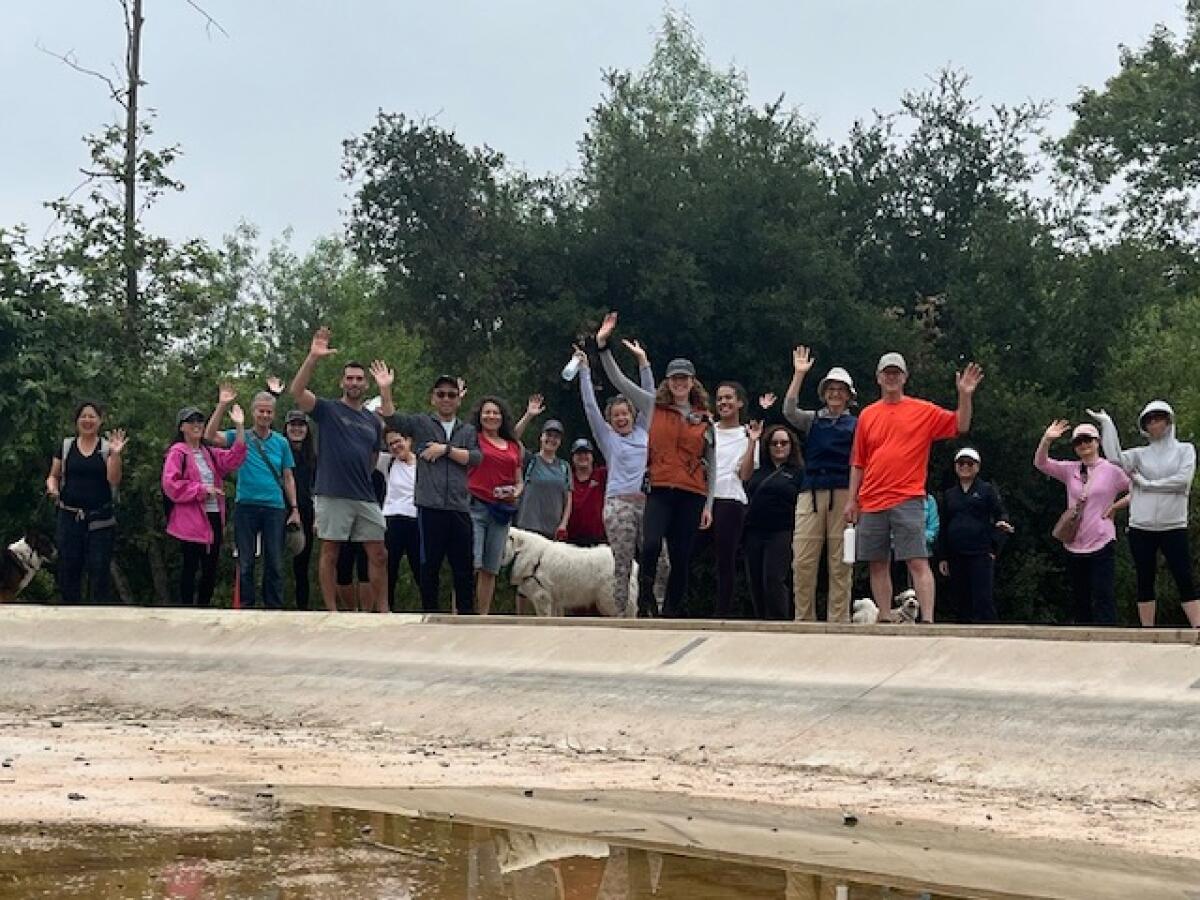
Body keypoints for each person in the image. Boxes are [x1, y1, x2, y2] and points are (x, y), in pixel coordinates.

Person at [846, 352, 983, 623]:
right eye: (887, 373)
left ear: (905, 377)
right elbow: (858, 461)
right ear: (878, 378)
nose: (892, 377)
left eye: (896, 373)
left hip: (908, 497)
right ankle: (884, 617)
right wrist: (852, 499)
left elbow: (960, 424)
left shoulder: (923, 410)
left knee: (917, 560)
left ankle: (928, 621)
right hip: (871, 499)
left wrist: (965, 395)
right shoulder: (867, 415)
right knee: (877, 563)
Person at [594, 312, 715, 618]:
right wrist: (603, 346)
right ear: (668, 382)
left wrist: (709, 505)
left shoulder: (704, 418)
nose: (679, 383)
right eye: (674, 378)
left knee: (680, 557)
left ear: (691, 382)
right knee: (650, 547)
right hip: (660, 490)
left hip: (691, 492)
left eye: (684, 379)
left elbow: (711, 464)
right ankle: (645, 593)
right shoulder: (653, 406)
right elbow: (619, 380)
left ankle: (671, 613)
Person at [289, 328, 387, 613]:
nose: (354, 383)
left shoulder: (372, 421)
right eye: (350, 378)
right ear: (341, 382)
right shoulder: (328, 410)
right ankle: (332, 611)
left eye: (359, 379)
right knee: (330, 551)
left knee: (378, 553)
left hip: (364, 495)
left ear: (365, 384)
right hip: (332, 493)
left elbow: (371, 458)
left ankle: (382, 611)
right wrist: (313, 357)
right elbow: (297, 392)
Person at [373, 362, 481, 615]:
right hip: (429, 508)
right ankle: (431, 618)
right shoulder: (421, 424)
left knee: (463, 569)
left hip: (458, 507)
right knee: (428, 567)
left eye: (451, 395)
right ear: (433, 398)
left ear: (458, 400)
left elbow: (475, 458)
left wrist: (444, 450)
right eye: (441, 394)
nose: (446, 399)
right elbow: (391, 417)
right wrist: (385, 389)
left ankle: (468, 622)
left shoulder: (467, 430)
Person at [1089, 403, 1200, 628]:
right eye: (1149, 420)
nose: (1154, 424)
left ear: (1169, 421)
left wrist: (1148, 485)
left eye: (1158, 418)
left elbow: (1182, 481)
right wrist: (1108, 425)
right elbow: (1115, 458)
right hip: (1142, 526)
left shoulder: (1184, 450)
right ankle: (1147, 631)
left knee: (1183, 575)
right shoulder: (1140, 455)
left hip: (1173, 524)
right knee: (1144, 578)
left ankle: (1197, 626)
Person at [575, 336, 660, 617]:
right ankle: (623, 614)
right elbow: (589, 406)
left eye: (625, 413)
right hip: (618, 504)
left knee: (660, 560)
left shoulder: (644, 431)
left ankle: (656, 610)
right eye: (616, 415)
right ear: (610, 419)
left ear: (633, 415)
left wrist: (642, 361)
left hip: (647, 503)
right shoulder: (608, 438)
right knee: (622, 564)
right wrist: (585, 370)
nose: (621, 419)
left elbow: (650, 396)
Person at [204, 385, 301, 610]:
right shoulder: (240, 436)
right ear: (253, 412)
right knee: (246, 561)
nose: (265, 416)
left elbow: (288, 477)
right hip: (246, 505)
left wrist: (294, 508)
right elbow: (210, 436)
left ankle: (274, 607)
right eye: (261, 411)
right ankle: (246, 607)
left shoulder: (281, 442)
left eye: (269, 412)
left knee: (274, 562)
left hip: (274, 507)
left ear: (273, 414)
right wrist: (222, 405)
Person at [783, 347, 857, 622]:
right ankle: (804, 621)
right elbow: (789, 410)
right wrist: (799, 375)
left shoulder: (857, 425)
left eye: (841, 389)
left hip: (843, 492)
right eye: (831, 389)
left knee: (841, 563)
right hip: (811, 492)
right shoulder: (812, 420)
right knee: (803, 561)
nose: (835, 393)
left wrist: (856, 498)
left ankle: (839, 621)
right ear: (824, 393)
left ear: (849, 395)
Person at [1034, 420, 1131, 625]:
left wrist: (1115, 507)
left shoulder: (1111, 469)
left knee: (1102, 593)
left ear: (1097, 442)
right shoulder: (1071, 470)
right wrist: (1047, 440)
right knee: (1080, 597)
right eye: (1079, 441)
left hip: (1102, 538)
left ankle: (1107, 638)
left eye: (1088, 440)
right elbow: (1041, 463)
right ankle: (1083, 641)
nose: (1084, 445)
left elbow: (1138, 490)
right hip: (1075, 541)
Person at [162, 404, 247, 606]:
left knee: (210, 567)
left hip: (213, 516)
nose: (197, 425)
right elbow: (170, 484)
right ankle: (186, 609)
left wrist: (240, 427)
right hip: (190, 520)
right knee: (190, 567)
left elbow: (235, 458)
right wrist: (201, 490)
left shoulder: (208, 452)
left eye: (199, 421)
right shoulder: (178, 453)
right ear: (181, 427)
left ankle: (204, 608)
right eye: (191, 421)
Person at [46, 401, 127, 605]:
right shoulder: (66, 446)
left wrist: (116, 455)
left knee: (99, 571)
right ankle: (69, 616)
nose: (88, 420)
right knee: (68, 570)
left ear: (100, 421)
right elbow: (53, 475)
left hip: (100, 519)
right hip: (69, 516)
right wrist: (52, 488)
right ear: (76, 421)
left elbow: (114, 479)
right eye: (84, 416)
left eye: (92, 416)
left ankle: (98, 618)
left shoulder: (106, 448)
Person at [936, 448, 1013, 623]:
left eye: (969, 463)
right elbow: (944, 525)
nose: (965, 467)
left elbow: (1002, 516)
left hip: (981, 552)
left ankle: (989, 636)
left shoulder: (986, 490)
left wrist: (995, 546)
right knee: (960, 598)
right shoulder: (949, 495)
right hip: (956, 553)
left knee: (982, 598)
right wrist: (943, 557)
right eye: (961, 463)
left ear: (977, 467)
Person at [739, 421, 803, 619]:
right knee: (755, 580)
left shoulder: (798, 472)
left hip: (782, 531)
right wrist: (752, 441)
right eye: (774, 443)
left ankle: (778, 622)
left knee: (773, 578)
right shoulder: (760, 470)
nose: (779, 447)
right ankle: (761, 621)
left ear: (791, 446)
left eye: (784, 443)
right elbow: (744, 475)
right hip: (754, 530)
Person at [466, 397, 524, 615]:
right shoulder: (473, 439)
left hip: (501, 511)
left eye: (496, 413)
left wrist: (516, 492)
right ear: (479, 416)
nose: (491, 416)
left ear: (503, 417)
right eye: (487, 412)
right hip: (475, 506)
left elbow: (519, 481)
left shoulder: (512, 446)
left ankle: (482, 616)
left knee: (491, 567)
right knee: (470, 563)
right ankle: (460, 613)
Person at [704, 381, 751, 617]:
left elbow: (746, 474)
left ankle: (722, 613)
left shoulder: (747, 435)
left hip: (730, 499)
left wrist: (753, 442)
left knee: (725, 559)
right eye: (720, 398)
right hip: (702, 498)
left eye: (729, 398)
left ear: (739, 402)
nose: (723, 402)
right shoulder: (708, 430)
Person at [379, 427, 421, 611]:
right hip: (392, 520)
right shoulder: (386, 462)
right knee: (389, 569)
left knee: (421, 569)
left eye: (399, 441)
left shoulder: (424, 464)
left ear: (409, 441)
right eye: (391, 444)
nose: (396, 446)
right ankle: (386, 610)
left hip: (416, 520)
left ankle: (430, 609)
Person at [515, 420, 572, 540]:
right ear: (541, 437)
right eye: (548, 435)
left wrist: (563, 524)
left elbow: (568, 500)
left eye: (556, 437)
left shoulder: (564, 467)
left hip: (552, 532)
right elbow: (513, 439)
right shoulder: (530, 460)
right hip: (527, 529)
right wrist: (529, 415)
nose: (551, 439)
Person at [284, 409, 317, 609]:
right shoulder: (278, 449)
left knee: (302, 565)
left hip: (306, 511)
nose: (297, 429)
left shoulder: (313, 456)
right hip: (279, 508)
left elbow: (317, 487)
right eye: (292, 425)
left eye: (301, 425)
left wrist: (317, 517)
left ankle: (302, 608)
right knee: (275, 560)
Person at [566, 439, 607, 547]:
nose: (582, 456)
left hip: (598, 540)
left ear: (592, 456)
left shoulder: (602, 474)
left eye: (586, 453)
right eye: (579, 453)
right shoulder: (567, 478)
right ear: (573, 457)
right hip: (571, 540)